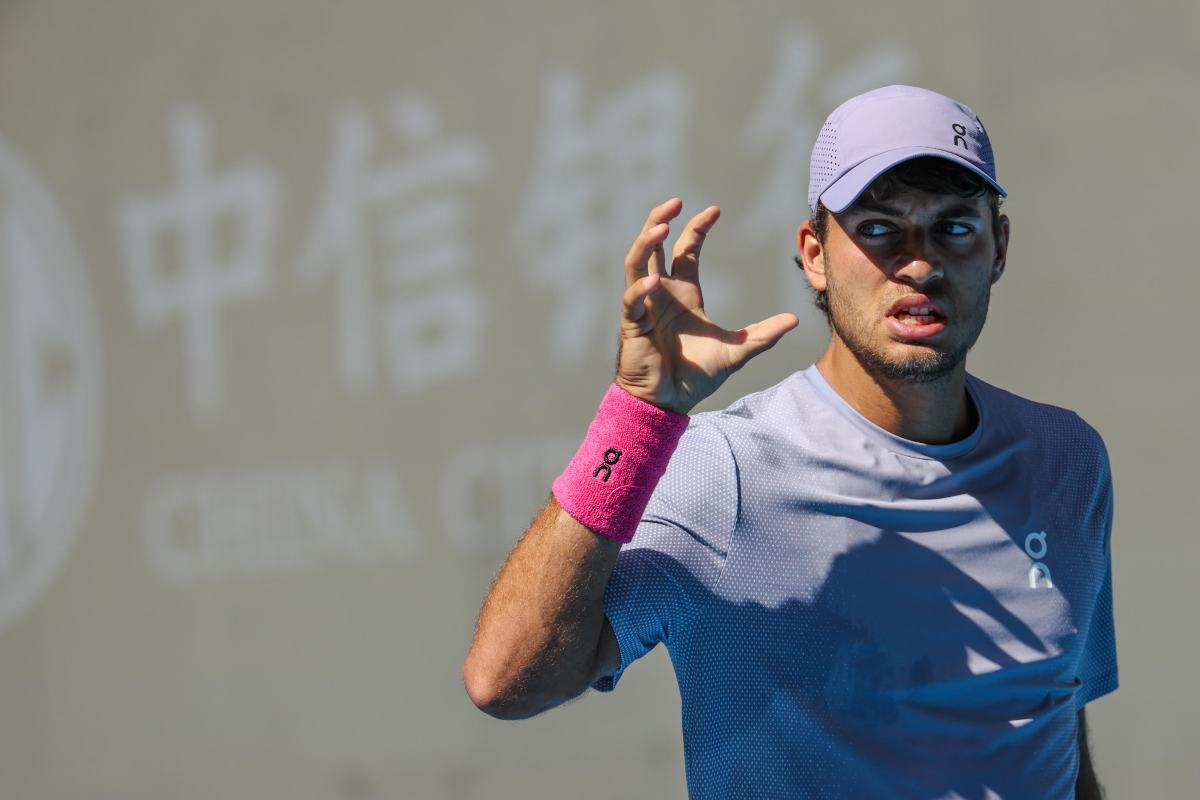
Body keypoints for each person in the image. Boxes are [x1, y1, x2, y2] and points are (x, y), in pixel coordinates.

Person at [463, 85, 1117, 799]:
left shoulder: (1068, 461)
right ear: (814, 254)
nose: (920, 263)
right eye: (878, 228)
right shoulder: (726, 470)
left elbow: (1055, 735)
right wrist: (639, 415)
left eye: (954, 228)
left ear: (998, 249)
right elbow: (508, 679)